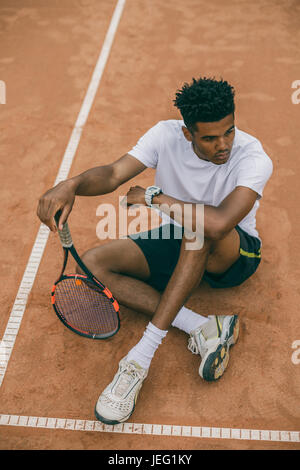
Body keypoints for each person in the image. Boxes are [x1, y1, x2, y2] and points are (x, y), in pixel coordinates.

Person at [37, 77, 273, 425]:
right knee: (94, 264)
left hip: (235, 254)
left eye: (229, 131)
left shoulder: (253, 156)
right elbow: (115, 173)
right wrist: (70, 185)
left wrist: (153, 198)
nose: (223, 145)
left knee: (201, 228)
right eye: (209, 138)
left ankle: (138, 360)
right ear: (187, 133)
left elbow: (221, 223)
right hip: (182, 234)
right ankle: (202, 326)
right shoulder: (165, 135)